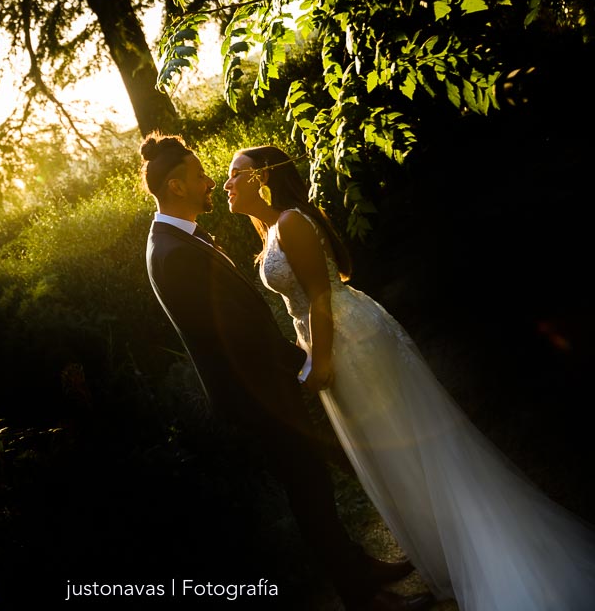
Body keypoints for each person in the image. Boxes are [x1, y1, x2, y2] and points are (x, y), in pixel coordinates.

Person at [223, 144, 595, 611]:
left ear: (262, 177)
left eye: (235, 174)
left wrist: (319, 364)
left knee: (411, 447)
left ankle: (484, 554)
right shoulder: (272, 231)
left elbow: (321, 297)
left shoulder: (292, 223)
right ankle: (453, 552)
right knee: (399, 456)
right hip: (335, 344)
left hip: (351, 344)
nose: (228, 185)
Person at [141, 133, 432, 611]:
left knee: (313, 481)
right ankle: (365, 598)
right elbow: (238, 339)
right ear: (176, 187)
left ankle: (359, 566)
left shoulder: (177, 239)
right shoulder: (173, 254)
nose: (211, 181)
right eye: (199, 176)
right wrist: (307, 364)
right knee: (310, 491)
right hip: (255, 393)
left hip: (263, 384)